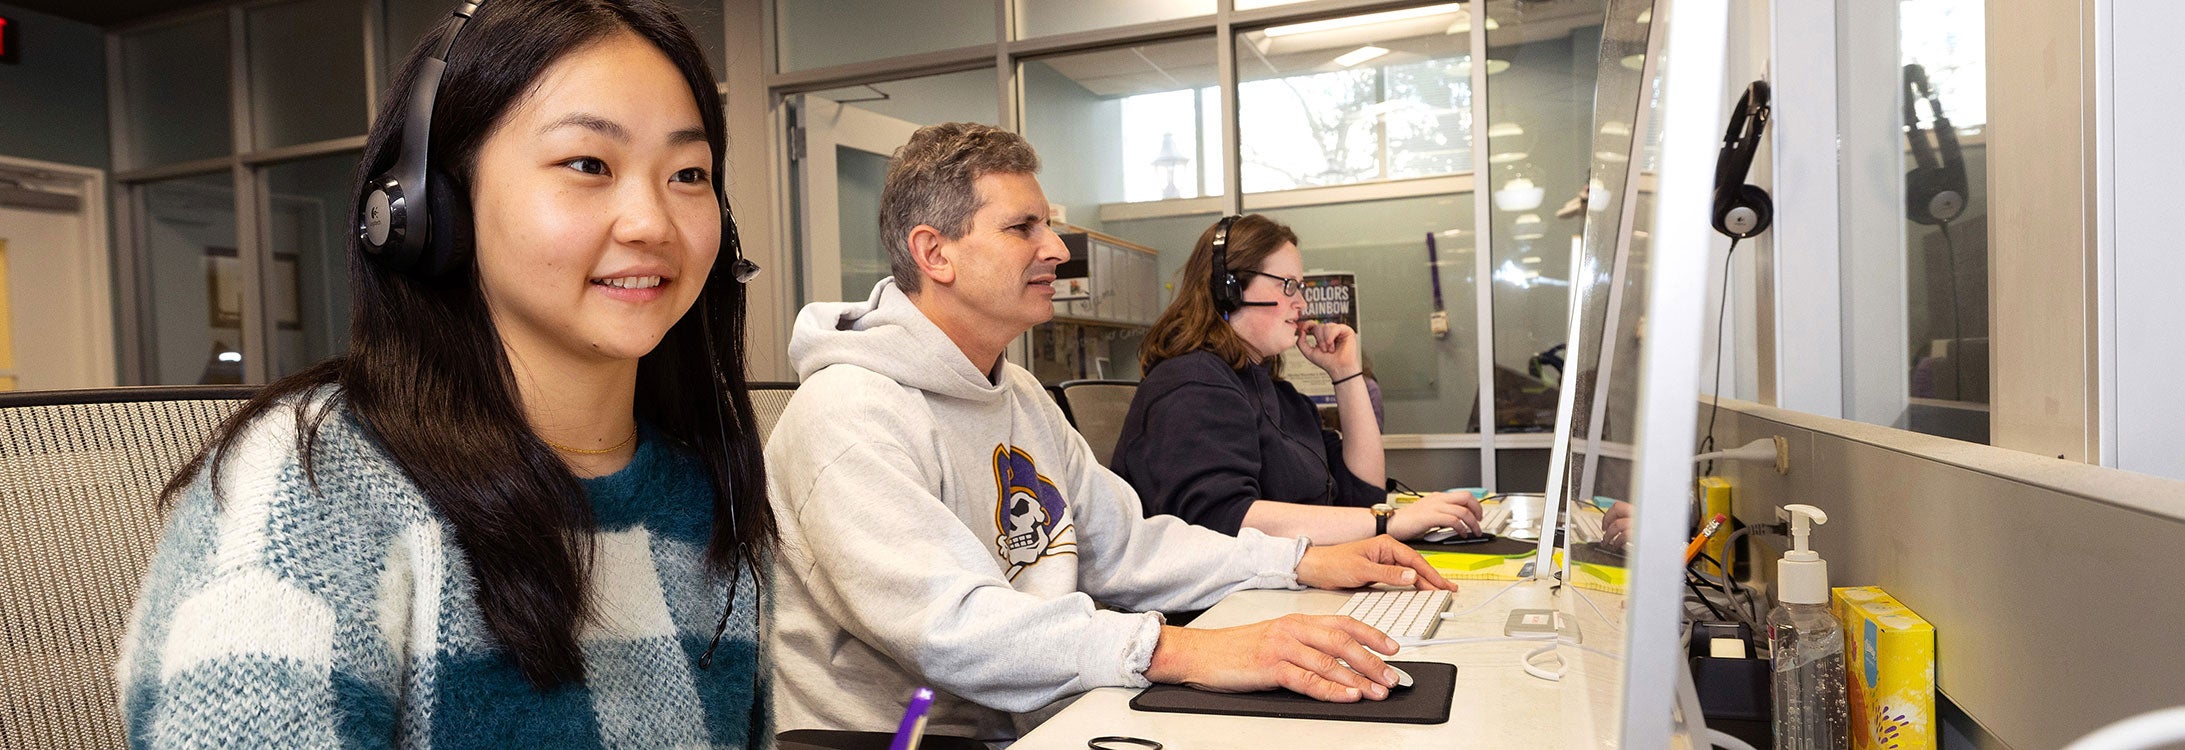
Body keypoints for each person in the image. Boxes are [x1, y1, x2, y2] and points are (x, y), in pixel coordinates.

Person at [116, 1, 776, 746]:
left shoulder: (708, 492)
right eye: (589, 164)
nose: (652, 222)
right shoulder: (310, 484)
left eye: (689, 174)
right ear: (433, 204)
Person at [765, 123, 1457, 743]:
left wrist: (1295, 562)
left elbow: (1124, 546)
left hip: (1040, 716)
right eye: (1023, 228)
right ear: (934, 253)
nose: (1056, 250)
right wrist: (1183, 651)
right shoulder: (850, 413)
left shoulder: (1021, 396)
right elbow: (952, 627)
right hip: (911, 737)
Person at [1109, 214, 1483, 544]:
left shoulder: (1279, 395)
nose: (1302, 303)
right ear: (1230, 290)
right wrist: (1390, 523)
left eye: (1300, 287)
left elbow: (1362, 495)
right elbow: (1223, 522)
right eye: (1287, 285)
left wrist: (1346, 374)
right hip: (1213, 614)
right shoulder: (1191, 384)